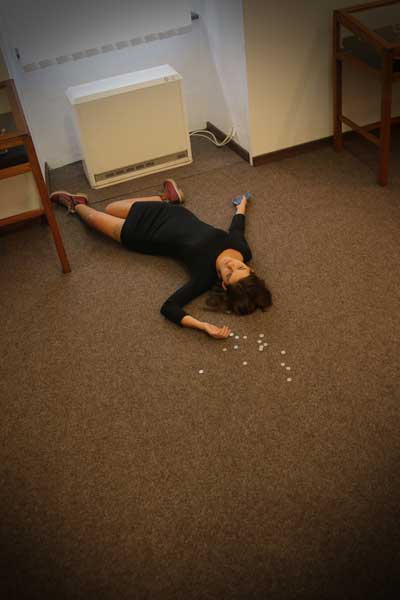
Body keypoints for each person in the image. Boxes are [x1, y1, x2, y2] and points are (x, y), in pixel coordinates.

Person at [50, 179, 272, 339]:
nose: (231, 265)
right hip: (169, 213)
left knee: (92, 216)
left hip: (143, 236)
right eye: (239, 267)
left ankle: (75, 203)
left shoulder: (204, 276)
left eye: (229, 274)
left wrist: (203, 326)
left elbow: (169, 307)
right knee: (110, 207)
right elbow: (237, 227)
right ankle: (166, 198)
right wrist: (242, 205)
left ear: (223, 283)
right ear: (249, 268)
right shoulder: (242, 250)